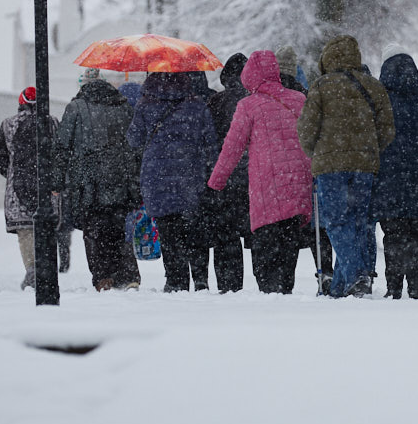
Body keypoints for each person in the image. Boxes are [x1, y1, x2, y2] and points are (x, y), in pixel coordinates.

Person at [297, 35, 395, 297]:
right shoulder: (373, 86)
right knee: (358, 222)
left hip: (330, 167)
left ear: (328, 58)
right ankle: (341, 286)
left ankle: (355, 275)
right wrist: (369, 151)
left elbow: (306, 130)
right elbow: (387, 130)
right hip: (364, 166)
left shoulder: (321, 86)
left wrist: (317, 153)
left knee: (338, 223)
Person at [209, 51, 313, 293]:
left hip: (267, 184)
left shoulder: (248, 105)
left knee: (267, 238)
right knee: (289, 237)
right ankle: (285, 287)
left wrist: (216, 181)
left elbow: (232, 147)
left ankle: (270, 289)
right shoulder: (299, 99)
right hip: (299, 180)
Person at [126, 70, 217, 292]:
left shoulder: (146, 104)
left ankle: (175, 279)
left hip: (157, 177)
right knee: (193, 229)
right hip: (190, 174)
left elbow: (133, 139)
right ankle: (200, 276)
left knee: (168, 231)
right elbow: (210, 143)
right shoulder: (196, 105)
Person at [372, 46, 418, 299]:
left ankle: (393, 285)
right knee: (415, 233)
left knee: (392, 233)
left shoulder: (379, 100)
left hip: (387, 178)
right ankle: (414, 284)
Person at [59, 69, 142, 292]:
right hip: (120, 180)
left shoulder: (76, 108)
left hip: (89, 183)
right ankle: (127, 274)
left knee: (94, 232)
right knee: (118, 229)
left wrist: (57, 181)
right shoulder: (123, 107)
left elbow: (62, 147)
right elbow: (135, 146)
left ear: (84, 85)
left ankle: (104, 277)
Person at [278, 44, 335, 289]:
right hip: (308, 165)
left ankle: (283, 278)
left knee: (286, 227)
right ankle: (325, 271)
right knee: (317, 226)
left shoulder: (270, 95)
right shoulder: (308, 96)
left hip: (280, 171)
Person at [0, 87, 61, 290]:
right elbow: (60, 153)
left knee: (26, 232)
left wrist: (13, 173)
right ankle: (47, 270)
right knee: (47, 230)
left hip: (18, 189)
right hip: (48, 188)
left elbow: (0, 157)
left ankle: (32, 269)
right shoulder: (52, 123)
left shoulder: (8, 124)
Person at [204, 53, 250, 292]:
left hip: (224, 176)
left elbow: (209, 141)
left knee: (226, 236)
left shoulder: (216, 102)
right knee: (258, 235)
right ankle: (268, 285)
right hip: (253, 177)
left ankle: (228, 285)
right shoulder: (255, 100)